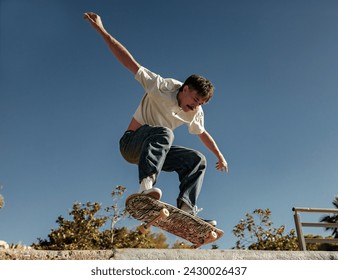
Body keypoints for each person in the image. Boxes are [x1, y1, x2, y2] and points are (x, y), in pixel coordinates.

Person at [84, 12, 228, 225]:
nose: (196, 106)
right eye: (195, 99)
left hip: (156, 151)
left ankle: (187, 211)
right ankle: (145, 189)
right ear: (185, 88)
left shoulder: (195, 111)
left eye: (201, 104)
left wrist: (219, 155)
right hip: (131, 143)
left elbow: (202, 133)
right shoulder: (160, 86)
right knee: (164, 132)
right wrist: (102, 30)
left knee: (197, 160)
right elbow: (128, 61)